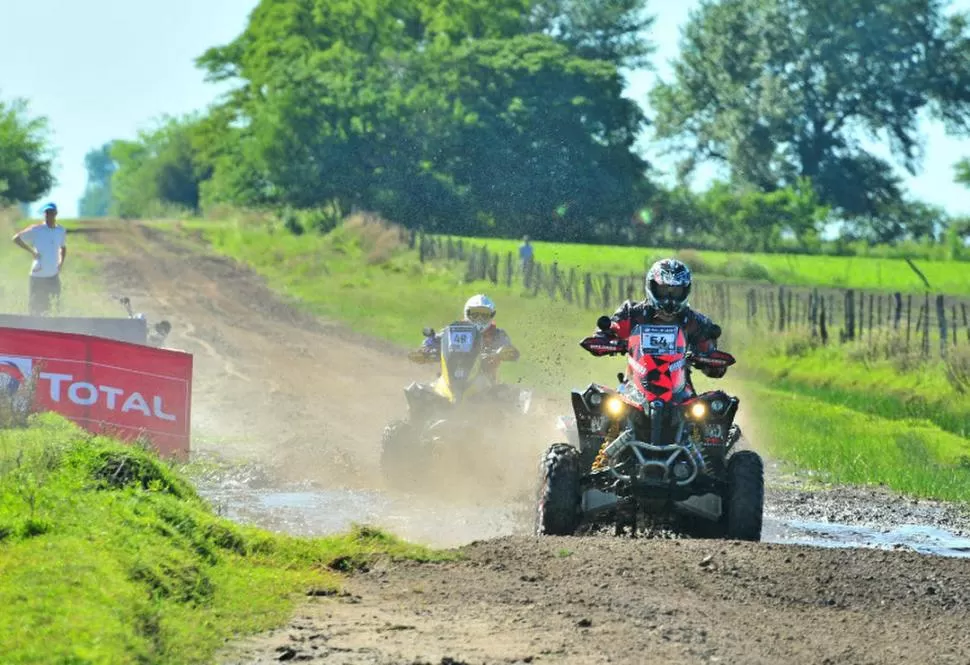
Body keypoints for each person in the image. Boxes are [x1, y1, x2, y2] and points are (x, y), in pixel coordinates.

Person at [606, 258, 727, 392]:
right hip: (633, 388)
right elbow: (609, 331)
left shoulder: (696, 322)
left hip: (680, 392)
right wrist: (607, 340)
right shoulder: (631, 313)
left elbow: (716, 369)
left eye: (676, 292)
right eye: (663, 290)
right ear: (651, 287)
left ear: (685, 291)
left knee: (718, 406)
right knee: (598, 401)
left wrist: (705, 360)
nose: (669, 299)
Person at [415, 294, 520, 383]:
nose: (479, 319)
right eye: (475, 314)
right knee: (417, 392)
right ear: (467, 313)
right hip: (449, 379)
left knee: (506, 396)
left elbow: (510, 349)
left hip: (486, 382)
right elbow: (435, 339)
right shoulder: (454, 330)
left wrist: (503, 353)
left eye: (484, 315)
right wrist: (426, 349)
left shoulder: (498, 334)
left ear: (492, 315)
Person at [12, 202, 67, 316]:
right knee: (36, 307)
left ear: (56, 214)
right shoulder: (37, 229)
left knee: (55, 306)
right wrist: (32, 251)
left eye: (51, 213)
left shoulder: (60, 230)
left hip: (53, 275)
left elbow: (63, 247)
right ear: (44, 215)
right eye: (46, 213)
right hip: (38, 276)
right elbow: (16, 239)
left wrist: (61, 263)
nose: (49, 215)